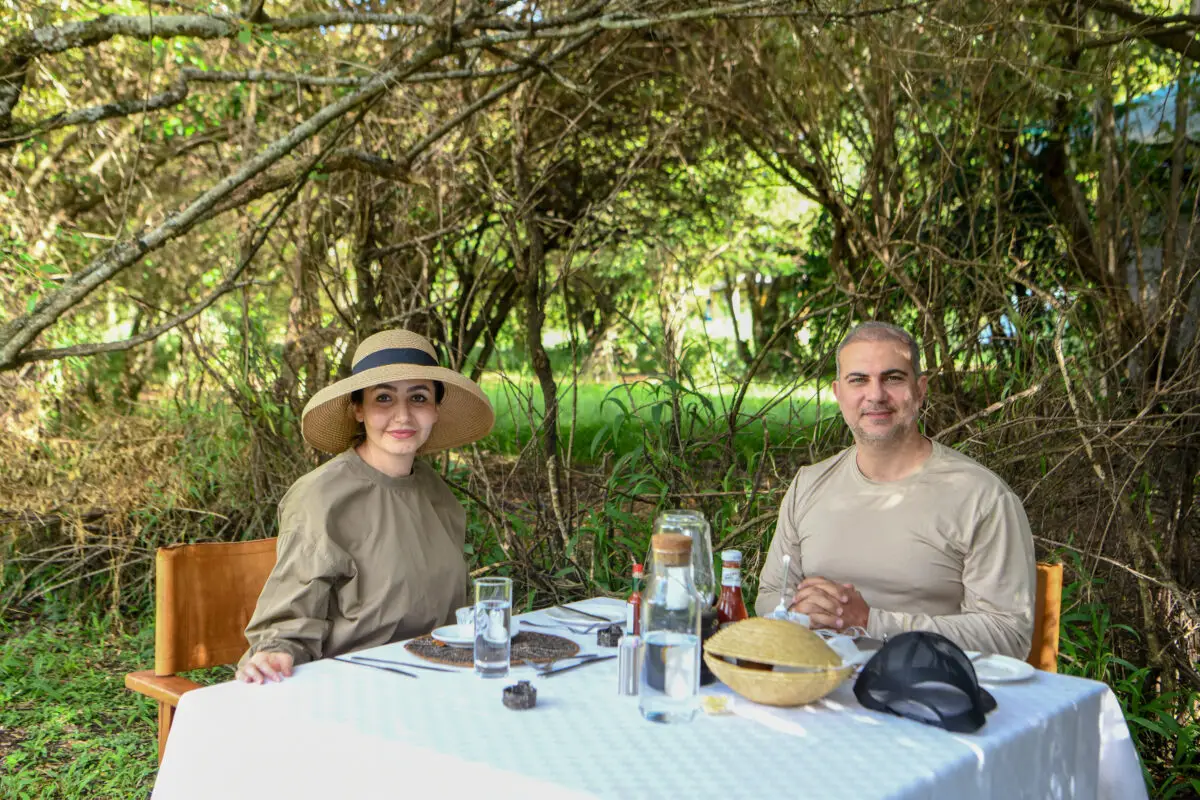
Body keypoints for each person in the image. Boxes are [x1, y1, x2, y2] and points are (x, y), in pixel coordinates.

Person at [754, 322, 1036, 659]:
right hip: (820, 687)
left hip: (930, 693)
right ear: (837, 392)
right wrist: (804, 611)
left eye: (893, 378)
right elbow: (771, 595)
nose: (875, 395)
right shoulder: (808, 484)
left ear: (920, 390)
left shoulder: (981, 497)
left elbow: (1009, 634)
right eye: (858, 379)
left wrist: (871, 623)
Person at [236, 329, 494, 683]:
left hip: (442, 678)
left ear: (435, 410)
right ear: (358, 409)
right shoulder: (321, 498)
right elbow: (288, 619)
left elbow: (454, 609)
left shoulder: (439, 495)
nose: (403, 415)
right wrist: (275, 653)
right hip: (355, 687)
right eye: (384, 398)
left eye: (418, 398)